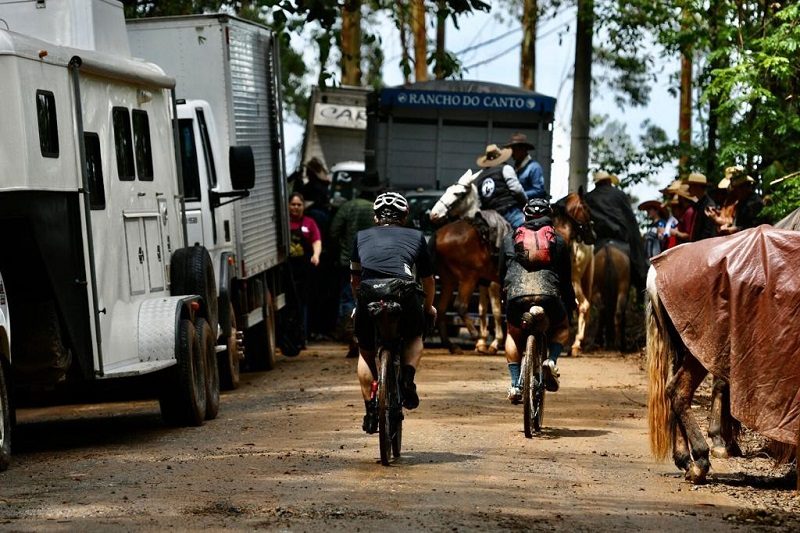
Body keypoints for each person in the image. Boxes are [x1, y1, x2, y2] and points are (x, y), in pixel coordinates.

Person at [351, 191, 437, 434]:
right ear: (405, 216)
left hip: (368, 293)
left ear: (376, 217)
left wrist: (359, 304)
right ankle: (407, 379)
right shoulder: (417, 236)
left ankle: (370, 412)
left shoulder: (361, 237)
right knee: (414, 336)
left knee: (366, 351)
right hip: (404, 293)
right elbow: (428, 280)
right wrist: (428, 307)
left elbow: (354, 279)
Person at [501, 198, 575, 401]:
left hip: (517, 294)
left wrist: (505, 299)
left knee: (513, 333)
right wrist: (570, 306)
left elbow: (502, 273)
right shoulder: (558, 240)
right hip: (548, 294)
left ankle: (515, 385)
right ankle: (550, 361)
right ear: (549, 216)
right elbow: (566, 280)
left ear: (525, 216)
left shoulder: (509, 238)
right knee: (562, 328)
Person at [329, 179, 379, 358]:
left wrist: (342, 250)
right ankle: (370, 338)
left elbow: (334, 231)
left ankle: (351, 336)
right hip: (373, 262)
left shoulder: (347, 207)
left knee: (349, 297)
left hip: (348, 261)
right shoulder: (376, 209)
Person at [584, 170, 648, 299]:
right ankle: (642, 288)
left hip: (598, 242)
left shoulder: (588, 197)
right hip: (620, 240)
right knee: (638, 263)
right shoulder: (620, 195)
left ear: (596, 183)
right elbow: (630, 220)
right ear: (609, 181)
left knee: (580, 273)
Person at [288, 192, 322, 347]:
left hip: (304, 269)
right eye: (293, 204)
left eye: (299, 205)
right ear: (288, 206)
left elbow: (316, 241)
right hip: (288, 269)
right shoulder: (284, 223)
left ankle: (303, 337)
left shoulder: (309, 223)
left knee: (304, 304)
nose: (296, 207)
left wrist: (316, 255)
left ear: (303, 207)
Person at [473, 144, 527, 229]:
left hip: (488, 218)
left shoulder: (480, 177)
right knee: (528, 230)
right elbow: (517, 190)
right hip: (509, 212)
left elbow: (479, 201)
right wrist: (526, 203)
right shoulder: (506, 168)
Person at [707, 170, 764, 235]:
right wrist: (728, 227)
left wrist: (736, 229)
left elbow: (755, 228)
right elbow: (736, 222)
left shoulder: (755, 203)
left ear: (744, 186)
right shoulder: (741, 202)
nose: (735, 191)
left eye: (737, 188)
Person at [504, 132, 546, 201]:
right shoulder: (516, 168)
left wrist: (519, 194)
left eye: (514, 150)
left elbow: (539, 191)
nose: (512, 153)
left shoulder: (534, 167)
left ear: (523, 149)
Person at [685, 172, 717, 241]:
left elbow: (708, 231)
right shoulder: (699, 204)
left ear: (698, 186)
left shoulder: (709, 205)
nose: (689, 189)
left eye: (691, 186)